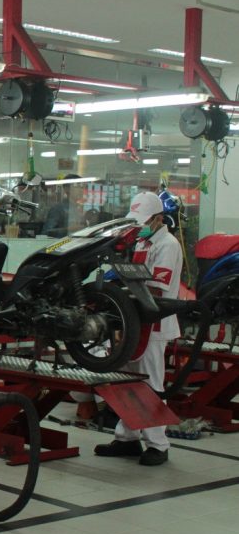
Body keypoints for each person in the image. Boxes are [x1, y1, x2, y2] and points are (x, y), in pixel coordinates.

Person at [94, 191, 180, 466]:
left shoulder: (168, 244)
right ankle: (127, 438)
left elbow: (158, 286)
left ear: (158, 218)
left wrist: (124, 287)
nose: (140, 226)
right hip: (135, 321)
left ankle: (158, 445)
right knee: (126, 381)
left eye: (144, 221)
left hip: (155, 323)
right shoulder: (143, 241)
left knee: (151, 385)